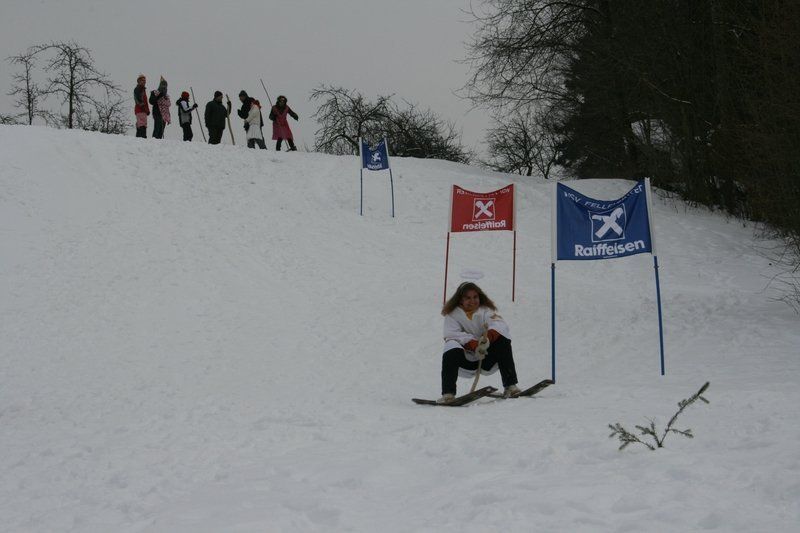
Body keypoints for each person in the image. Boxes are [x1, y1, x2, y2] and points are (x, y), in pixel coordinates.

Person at [438, 282, 520, 403]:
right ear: (460, 300)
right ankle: (448, 394)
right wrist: (473, 343)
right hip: (466, 361)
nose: (472, 301)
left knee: (503, 339)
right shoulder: (452, 315)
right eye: (468, 298)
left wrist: (488, 338)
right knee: (450, 345)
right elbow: (451, 334)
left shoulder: (485, 311)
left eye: (475, 297)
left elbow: (500, 324)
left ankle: (510, 386)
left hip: (486, 359)